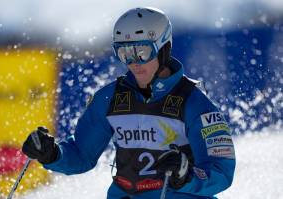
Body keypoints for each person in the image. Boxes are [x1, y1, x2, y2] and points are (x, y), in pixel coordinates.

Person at [22, 7, 236, 199]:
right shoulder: (109, 98)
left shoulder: (195, 102)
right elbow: (82, 155)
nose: (133, 62)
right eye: (124, 53)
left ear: (164, 49)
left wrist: (186, 175)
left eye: (142, 52)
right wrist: (52, 154)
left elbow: (221, 172)